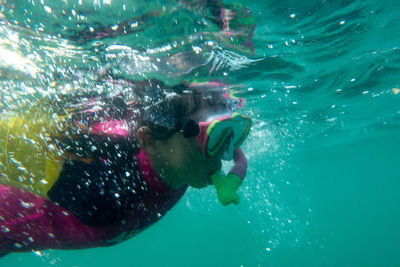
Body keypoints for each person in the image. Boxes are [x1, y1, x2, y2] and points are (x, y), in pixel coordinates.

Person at [0, 80, 251, 255]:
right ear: (149, 140)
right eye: (208, 136)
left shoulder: (180, 166)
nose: (221, 155)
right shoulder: (108, 180)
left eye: (228, 135)